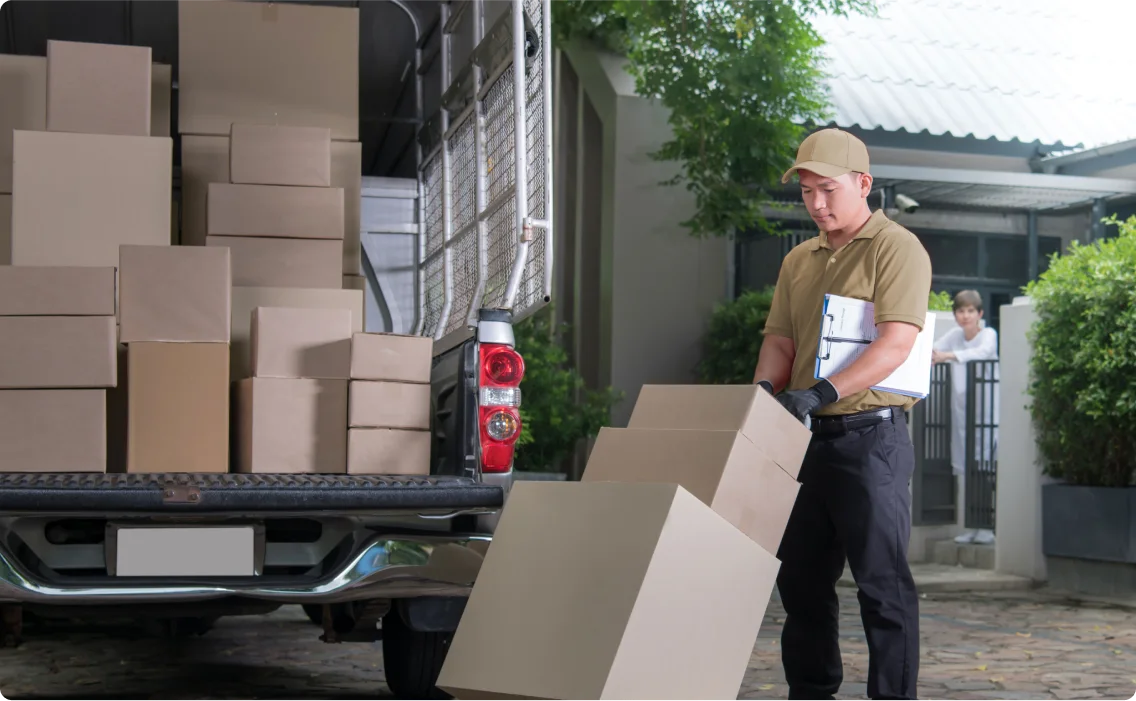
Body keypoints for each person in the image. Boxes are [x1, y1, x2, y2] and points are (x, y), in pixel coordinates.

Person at [753, 127, 931, 701]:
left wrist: (820, 392)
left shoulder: (896, 248)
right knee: (801, 582)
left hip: (870, 440)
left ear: (864, 184)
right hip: (802, 442)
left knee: (881, 585)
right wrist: (762, 393)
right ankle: (811, 692)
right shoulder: (798, 261)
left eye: (827, 189)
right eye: (806, 192)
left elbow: (895, 343)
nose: (817, 204)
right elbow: (780, 341)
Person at [932, 290, 999, 545]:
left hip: (985, 412)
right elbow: (934, 349)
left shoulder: (988, 334)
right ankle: (971, 526)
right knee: (967, 468)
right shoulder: (956, 335)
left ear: (980, 314)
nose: (965, 315)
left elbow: (983, 353)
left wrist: (949, 356)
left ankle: (986, 527)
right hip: (963, 412)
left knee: (983, 467)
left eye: (971, 311)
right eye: (961, 311)